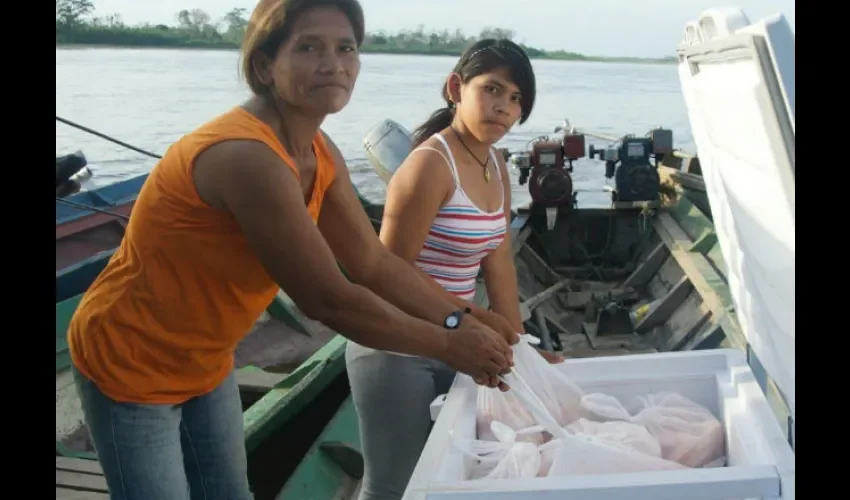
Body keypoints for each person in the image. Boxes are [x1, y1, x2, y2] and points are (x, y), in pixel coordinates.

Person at [65, 1, 516, 499]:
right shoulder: (246, 157)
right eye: (308, 47)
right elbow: (330, 300)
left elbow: (373, 262)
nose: (334, 63)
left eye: (346, 48)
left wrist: (464, 316)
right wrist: (452, 345)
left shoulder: (318, 150)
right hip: (130, 359)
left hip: (208, 359)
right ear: (264, 66)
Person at [346, 38, 565, 500]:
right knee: (391, 486)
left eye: (516, 99)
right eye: (492, 90)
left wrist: (520, 348)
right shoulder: (429, 165)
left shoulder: (496, 165)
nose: (503, 107)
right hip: (397, 346)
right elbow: (390, 270)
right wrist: (476, 321)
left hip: (460, 340)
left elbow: (500, 263)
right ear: (455, 88)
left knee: (453, 473)